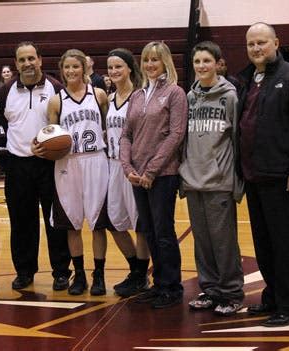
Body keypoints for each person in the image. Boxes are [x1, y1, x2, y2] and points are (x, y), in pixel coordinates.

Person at [238, 23, 289, 326]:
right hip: (253, 176)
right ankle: (272, 297)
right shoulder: (246, 78)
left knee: (285, 244)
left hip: (283, 178)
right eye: (251, 44)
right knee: (264, 243)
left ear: (276, 43)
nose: (256, 48)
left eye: (261, 42)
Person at [0, 41, 71, 291]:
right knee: (21, 222)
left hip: (49, 165)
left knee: (55, 220)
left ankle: (61, 272)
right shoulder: (5, 91)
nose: (27, 64)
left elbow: (64, 126)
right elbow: (6, 126)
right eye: (22, 60)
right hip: (18, 166)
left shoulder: (56, 88)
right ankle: (25, 271)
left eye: (31, 58)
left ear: (39, 59)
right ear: (16, 63)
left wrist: (50, 148)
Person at [120, 41, 188, 309]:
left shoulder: (175, 93)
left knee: (163, 231)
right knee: (148, 231)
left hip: (162, 175)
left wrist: (151, 170)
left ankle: (172, 286)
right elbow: (126, 134)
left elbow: (176, 135)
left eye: (155, 60)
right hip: (138, 176)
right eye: (146, 60)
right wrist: (128, 168)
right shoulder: (137, 95)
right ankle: (159, 284)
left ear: (165, 62)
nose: (149, 65)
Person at [179, 41, 244, 316]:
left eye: (207, 61)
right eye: (197, 62)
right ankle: (210, 289)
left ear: (218, 64)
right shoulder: (190, 98)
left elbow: (238, 140)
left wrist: (237, 182)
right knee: (203, 242)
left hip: (219, 181)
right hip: (193, 180)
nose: (202, 66)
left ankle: (231, 293)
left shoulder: (230, 97)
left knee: (223, 242)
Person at [47, 49, 109, 296]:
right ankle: (80, 275)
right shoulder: (56, 101)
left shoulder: (100, 95)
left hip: (95, 160)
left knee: (97, 224)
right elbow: (50, 134)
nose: (71, 71)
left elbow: (106, 127)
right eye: (67, 67)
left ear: (84, 68)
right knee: (72, 224)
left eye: (75, 66)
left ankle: (99, 276)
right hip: (68, 163)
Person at [106, 48, 150, 297]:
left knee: (141, 225)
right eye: (110, 67)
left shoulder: (140, 97)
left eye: (118, 67)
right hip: (112, 165)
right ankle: (135, 268)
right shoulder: (109, 98)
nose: (114, 72)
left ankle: (141, 275)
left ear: (130, 68)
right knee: (114, 222)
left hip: (134, 167)